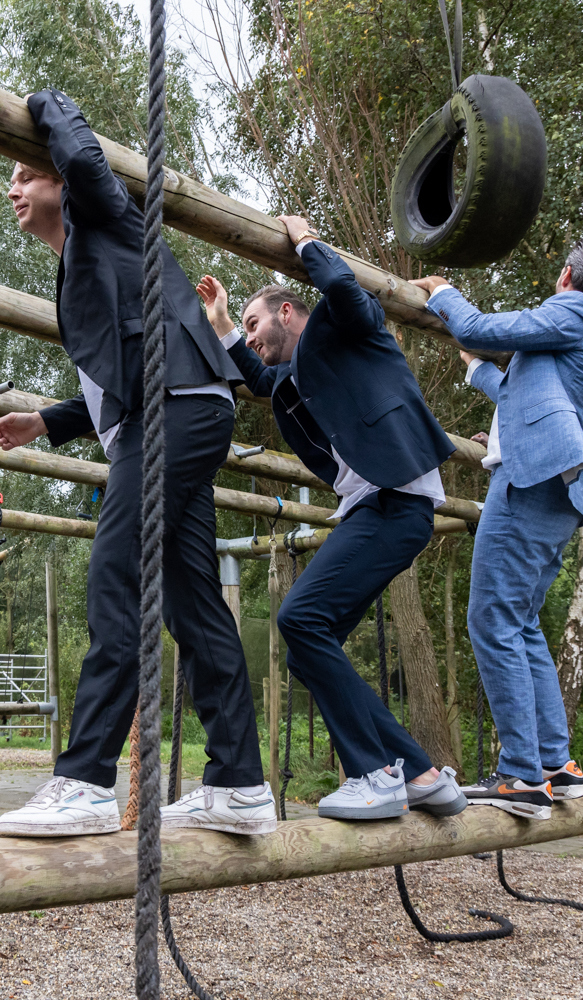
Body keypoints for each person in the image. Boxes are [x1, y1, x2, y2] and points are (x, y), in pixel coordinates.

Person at [0, 89, 274, 837]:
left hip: (175, 413)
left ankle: (85, 780)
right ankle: (240, 784)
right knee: (192, 605)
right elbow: (120, 379)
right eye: (11, 178)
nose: (13, 188)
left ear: (60, 179)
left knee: (115, 577)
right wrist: (46, 421)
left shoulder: (107, 217)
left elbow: (84, 156)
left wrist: (45, 101)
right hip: (179, 412)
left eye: (25, 173)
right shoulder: (84, 264)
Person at [195, 218, 467, 820]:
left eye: (255, 324)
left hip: (394, 499)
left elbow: (345, 289)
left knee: (300, 617)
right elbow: (260, 380)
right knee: (307, 646)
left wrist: (306, 241)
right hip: (374, 509)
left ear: (287, 311)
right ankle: (418, 773)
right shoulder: (296, 376)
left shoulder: (343, 328)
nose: (252, 336)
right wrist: (223, 325)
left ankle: (374, 774)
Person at [414, 235, 583, 820]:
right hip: (559, 484)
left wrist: (444, 292)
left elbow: (478, 327)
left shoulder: (575, 310)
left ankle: (521, 775)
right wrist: (477, 370)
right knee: (521, 622)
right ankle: (554, 764)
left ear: (567, 277)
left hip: (530, 482)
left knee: (491, 619)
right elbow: (531, 395)